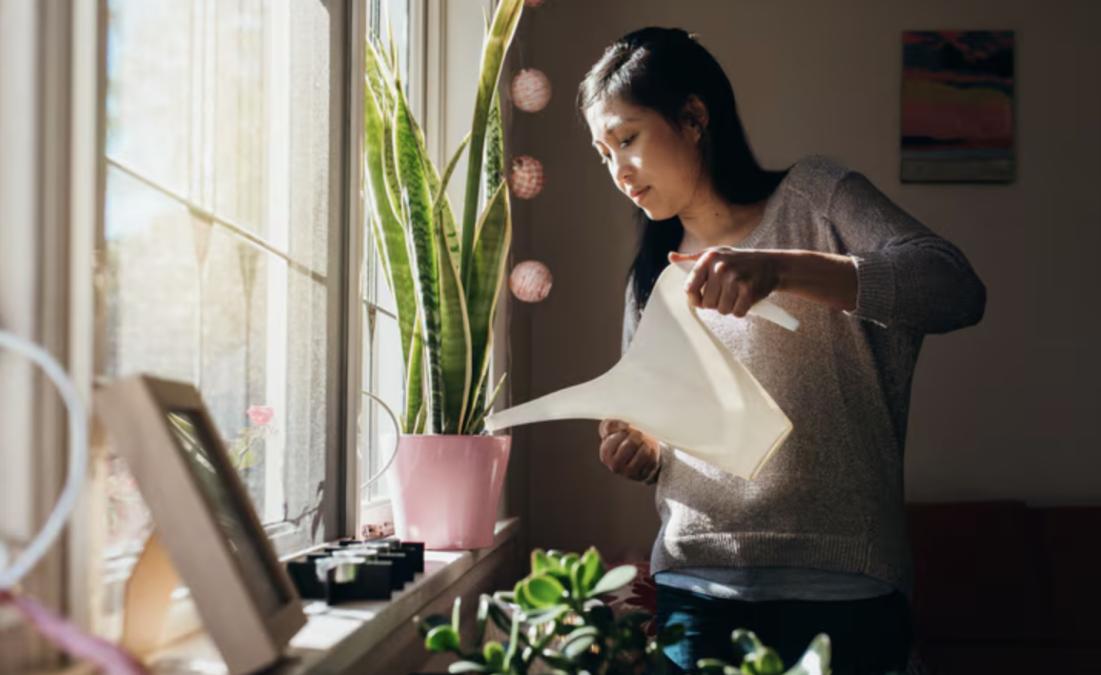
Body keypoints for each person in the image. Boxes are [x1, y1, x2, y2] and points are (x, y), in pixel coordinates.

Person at [577, 27, 986, 675]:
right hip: (695, 588)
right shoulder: (650, 275)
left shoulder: (815, 197)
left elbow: (953, 287)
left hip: (845, 584)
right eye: (602, 152)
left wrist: (781, 269)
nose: (617, 170)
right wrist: (639, 448)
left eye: (625, 138)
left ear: (693, 117)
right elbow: (658, 434)